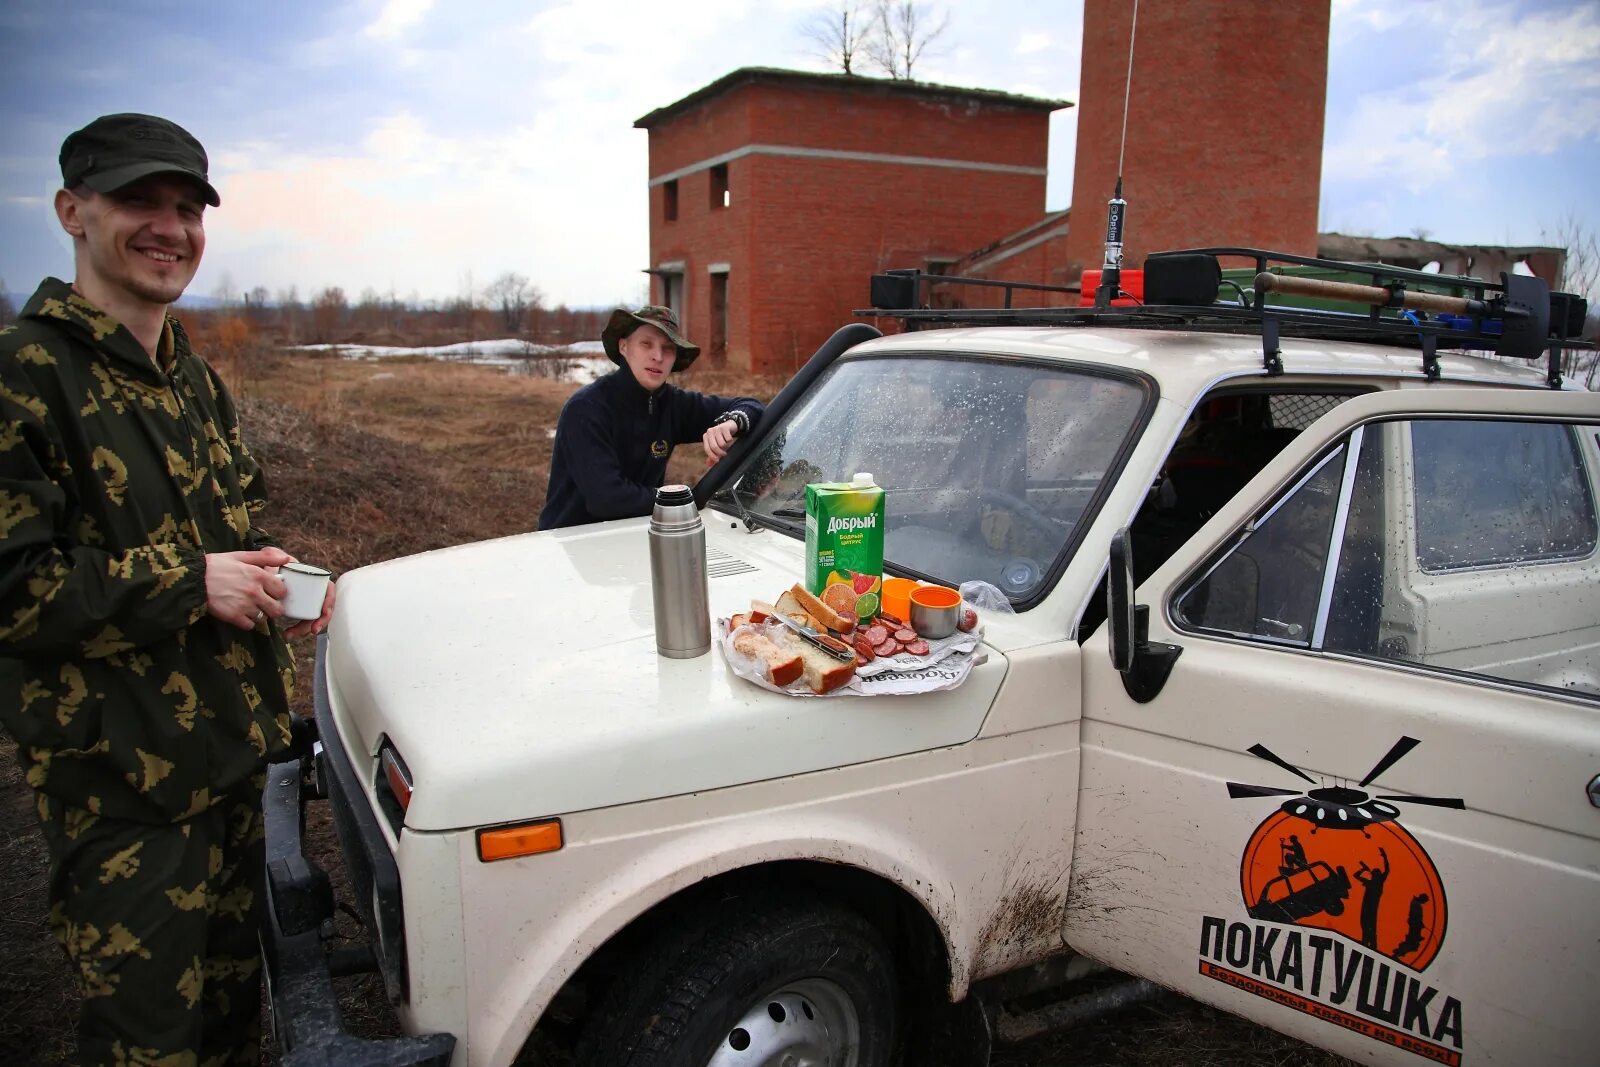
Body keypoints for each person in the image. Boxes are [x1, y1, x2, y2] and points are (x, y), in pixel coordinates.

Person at [0, 113, 334, 1066]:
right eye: (139, 201)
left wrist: (272, 577)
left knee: (234, 1031)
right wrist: (192, 587)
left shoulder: (191, 378)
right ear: (72, 211)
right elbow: (14, 589)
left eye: (187, 208)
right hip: (126, 800)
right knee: (148, 1046)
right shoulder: (23, 374)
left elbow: (229, 532)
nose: (170, 227)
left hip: (231, 773)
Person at [538, 305, 765, 530]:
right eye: (646, 344)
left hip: (635, 537)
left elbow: (752, 407)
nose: (657, 356)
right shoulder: (587, 409)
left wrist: (732, 422)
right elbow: (607, 499)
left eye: (667, 348)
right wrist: (683, 499)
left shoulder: (672, 403)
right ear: (624, 347)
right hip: (569, 546)